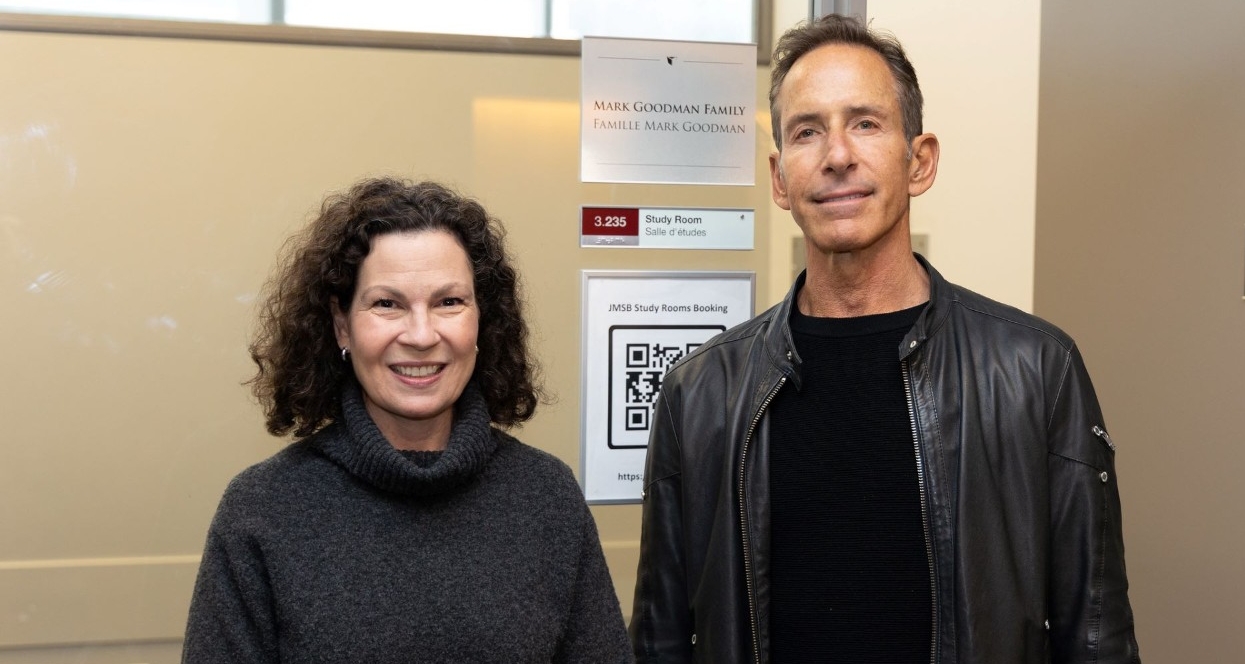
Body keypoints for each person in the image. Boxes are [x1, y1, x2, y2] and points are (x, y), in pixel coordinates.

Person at [629, 15, 1140, 664]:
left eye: (864, 123)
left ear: (918, 161)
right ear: (780, 177)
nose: (837, 155)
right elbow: (658, 643)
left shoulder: (1035, 372)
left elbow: (1095, 639)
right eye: (807, 131)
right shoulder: (700, 393)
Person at [183, 177, 632, 663]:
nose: (421, 334)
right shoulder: (262, 509)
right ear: (341, 324)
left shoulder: (547, 496)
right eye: (387, 304)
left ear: (483, 319)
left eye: (448, 302)